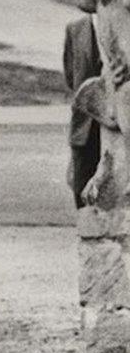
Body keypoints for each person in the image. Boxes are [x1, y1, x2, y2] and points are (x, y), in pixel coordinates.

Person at [63, 14, 102, 208]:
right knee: (82, 194)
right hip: (84, 129)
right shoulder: (75, 28)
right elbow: (71, 76)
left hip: (117, 125)